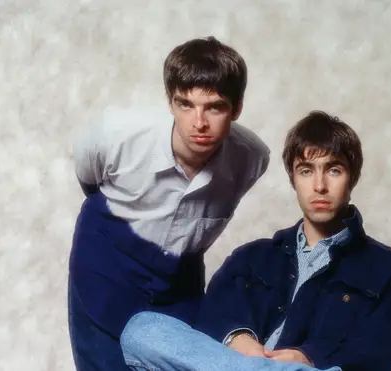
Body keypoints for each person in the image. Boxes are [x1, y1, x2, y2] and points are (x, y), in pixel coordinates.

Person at [120, 111, 391, 371]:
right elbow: (209, 320)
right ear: (294, 179)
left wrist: (307, 358)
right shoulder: (251, 258)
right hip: (235, 364)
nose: (319, 186)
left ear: (352, 177)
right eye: (306, 171)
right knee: (143, 329)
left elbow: (373, 358)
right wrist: (238, 340)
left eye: (333, 170)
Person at [67, 36, 270, 370]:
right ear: (170, 102)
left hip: (179, 280)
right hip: (106, 266)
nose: (198, 122)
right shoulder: (119, 134)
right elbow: (89, 178)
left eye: (215, 106)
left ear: (237, 108)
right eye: (185, 104)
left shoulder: (250, 158)